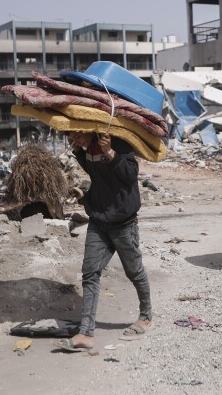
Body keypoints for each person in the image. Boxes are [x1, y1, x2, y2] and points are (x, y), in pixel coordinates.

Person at [62, 131, 152, 351]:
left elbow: (130, 175)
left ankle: (146, 315)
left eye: (77, 137)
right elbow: (96, 173)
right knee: (90, 272)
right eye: (71, 140)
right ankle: (86, 332)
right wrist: (78, 153)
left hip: (123, 221)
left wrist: (110, 152)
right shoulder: (88, 149)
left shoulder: (117, 141)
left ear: (86, 129)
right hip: (99, 219)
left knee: (134, 270)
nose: (76, 142)